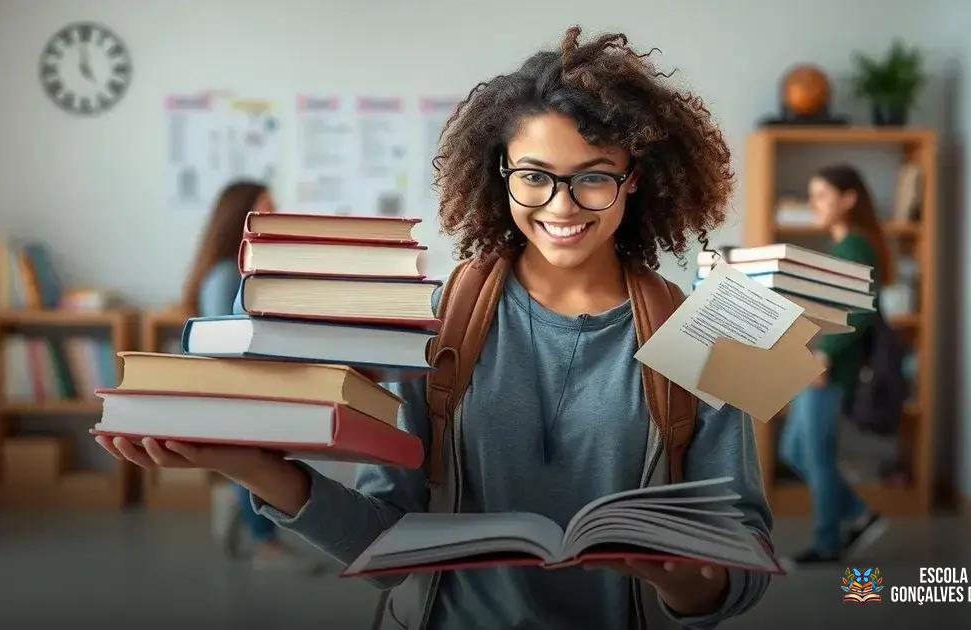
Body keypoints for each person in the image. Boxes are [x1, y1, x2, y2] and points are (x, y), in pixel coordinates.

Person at [98, 27, 771, 629]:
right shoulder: (435, 322)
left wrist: (693, 585)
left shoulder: (709, 334)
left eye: (592, 178)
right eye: (534, 176)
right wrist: (248, 468)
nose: (561, 205)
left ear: (634, 181)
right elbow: (389, 551)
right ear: (500, 176)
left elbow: (745, 551)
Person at [180, 180, 320, 571]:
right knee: (262, 451)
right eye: (266, 208)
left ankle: (235, 499)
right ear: (241, 217)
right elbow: (219, 346)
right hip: (229, 390)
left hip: (252, 382)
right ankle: (265, 547)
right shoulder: (225, 275)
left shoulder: (251, 269)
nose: (276, 215)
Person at [779, 164, 892, 565]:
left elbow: (860, 311)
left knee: (816, 455)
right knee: (795, 450)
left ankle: (828, 544)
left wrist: (825, 356)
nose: (814, 204)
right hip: (815, 363)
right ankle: (860, 513)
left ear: (848, 199)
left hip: (827, 369)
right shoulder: (844, 246)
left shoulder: (855, 246)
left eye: (822, 195)